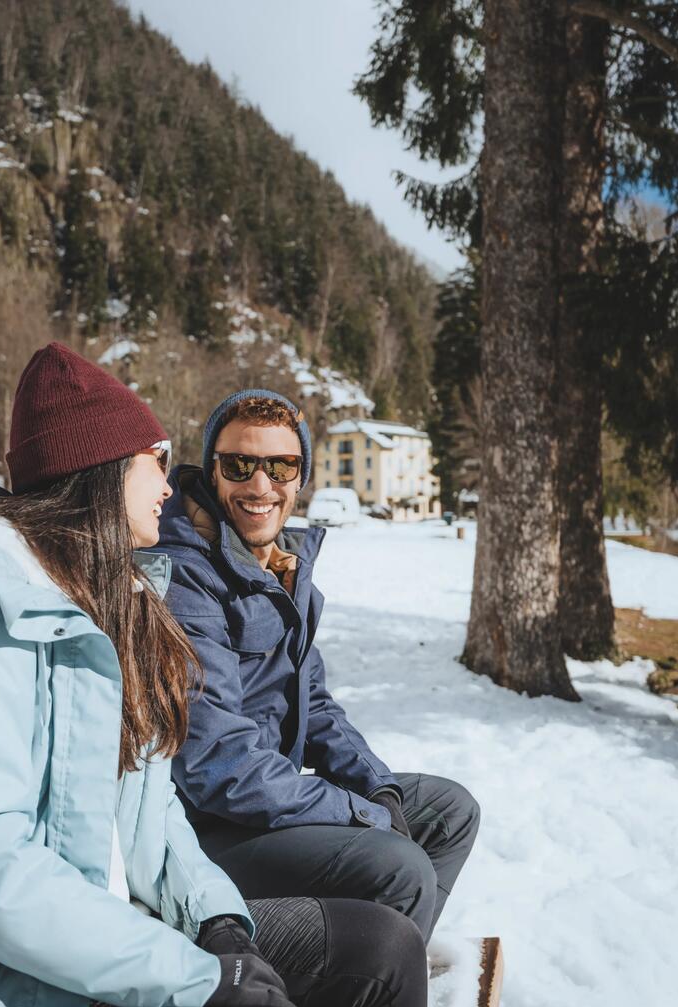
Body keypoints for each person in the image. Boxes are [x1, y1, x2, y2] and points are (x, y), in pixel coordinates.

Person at [0, 346, 427, 1007]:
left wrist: (217, 920)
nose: (170, 486)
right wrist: (198, 976)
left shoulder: (115, 604)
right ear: (102, 472)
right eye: (155, 462)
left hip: (136, 936)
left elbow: (151, 806)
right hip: (15, 988)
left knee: (383, 948)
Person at [153, 390, 481, 945]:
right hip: (203, 828)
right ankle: (367, 981)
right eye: (240, 465)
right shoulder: (186, 575)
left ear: (300, 476)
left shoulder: (280, 562)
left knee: (448, 813)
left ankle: (378, 973)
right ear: (212, 470)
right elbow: (216, 765)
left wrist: (377, 790)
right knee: (398, 867)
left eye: (281, 466)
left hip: (262, 803)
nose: (261, 486)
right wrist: (358, 815)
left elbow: (317, 704)